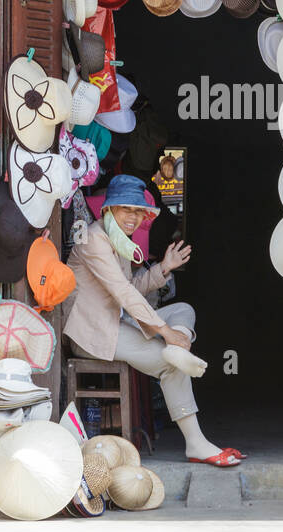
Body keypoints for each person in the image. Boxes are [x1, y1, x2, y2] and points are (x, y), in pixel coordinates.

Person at [65, 174, 244, 467]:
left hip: (118, 323)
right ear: (109, 210)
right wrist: (164, 331)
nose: (134, 218)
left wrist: (163, 267)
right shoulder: (95, 240)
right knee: (169, 362)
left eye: (139, 211)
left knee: (183, 309)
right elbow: (123, 292)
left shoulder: (117, 239)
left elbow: (130, 287)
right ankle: (196, 444)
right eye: (127, 210)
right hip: (94, 334)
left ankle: (179, 347)